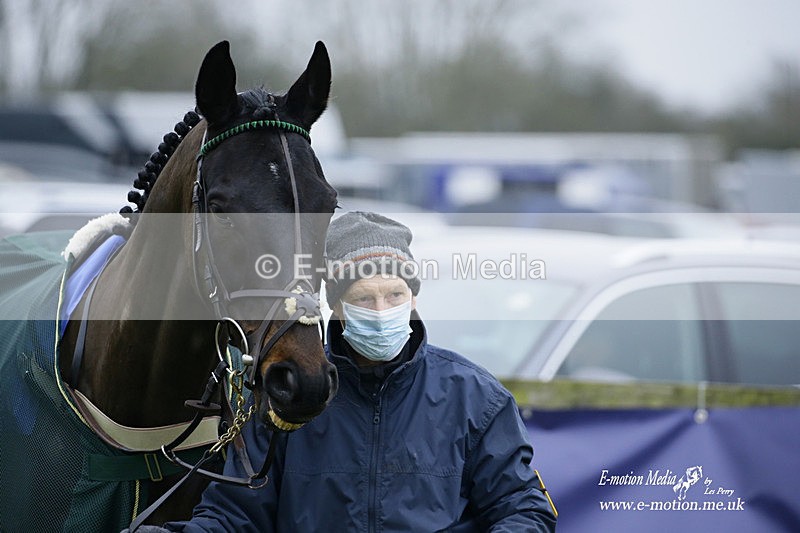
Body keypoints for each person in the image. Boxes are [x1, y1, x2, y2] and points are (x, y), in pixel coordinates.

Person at [144, 211, 557, 532]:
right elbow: (235, 515)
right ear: (337, 308)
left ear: (413, 300)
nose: (382, 311)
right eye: (364, 298)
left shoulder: (475, 398)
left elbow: (522, 507)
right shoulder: (290, 397)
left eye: (394, 295)